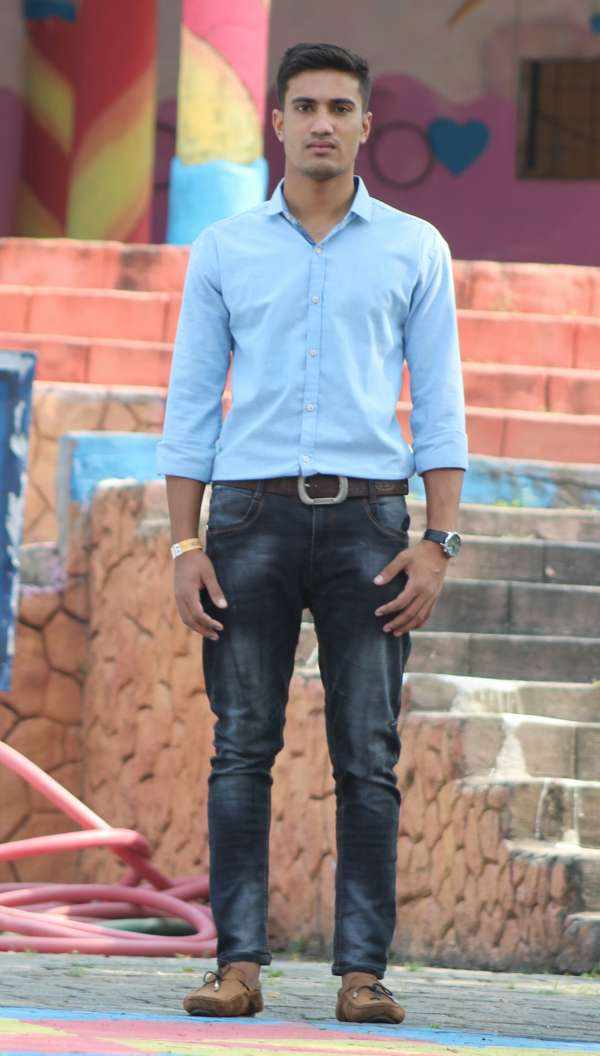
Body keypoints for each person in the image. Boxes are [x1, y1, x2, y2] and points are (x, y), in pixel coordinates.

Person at [156, 41, 468, 1025]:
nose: (322, 123)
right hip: (248, 518)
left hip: (371, 521)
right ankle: (237, 966)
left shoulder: (415, 247)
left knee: (367, 753)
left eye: (340, 107)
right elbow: (191, 403)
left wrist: (438, 541)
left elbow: (442, 405)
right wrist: (183, 544)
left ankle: (363, 974)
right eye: (305, 106)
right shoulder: (225, 249)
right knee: (241, 746)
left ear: (367, 124)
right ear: (278, 122)